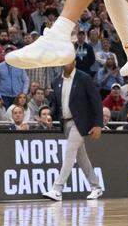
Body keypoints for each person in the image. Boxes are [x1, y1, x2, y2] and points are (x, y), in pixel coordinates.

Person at [44, 59, 104, 201]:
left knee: (69, 153)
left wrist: (98, 124)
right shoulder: (57, 81)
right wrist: (50, 115)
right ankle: (96, 187)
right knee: (81, 158)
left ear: (74, 62)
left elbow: (96, 101)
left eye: (69, 61)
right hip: (66, 123)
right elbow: (56, 104)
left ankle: (57, 189)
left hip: (81, 123)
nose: (66, 63)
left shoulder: (84, 78)